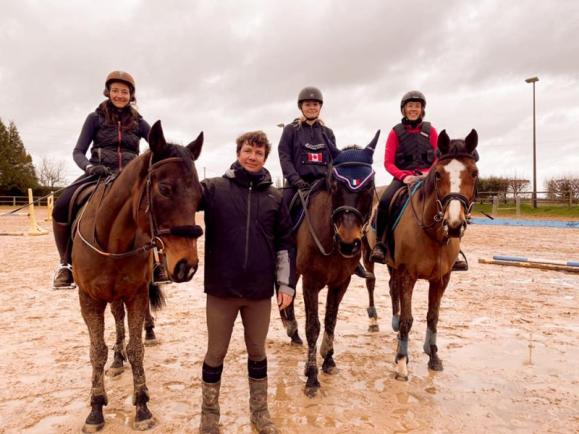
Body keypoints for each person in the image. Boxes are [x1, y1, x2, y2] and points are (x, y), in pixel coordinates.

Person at [199, 131, 295, 434]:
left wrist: (286, 285)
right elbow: (179, 196)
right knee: (216, 353)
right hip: (221, 290)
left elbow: (285, 244)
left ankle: (260, 412)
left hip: (258, 293)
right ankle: (209, 417)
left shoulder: (275, 198)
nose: (252, 156)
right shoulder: (213, 189)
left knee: (258, 352)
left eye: (258, 153)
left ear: (265, 158)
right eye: (248, 151)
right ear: (238, 152)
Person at [51, 71, 151, 289]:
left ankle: (158, 262)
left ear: (131, 95)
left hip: (130, 177)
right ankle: (65, 264)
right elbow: (78, 151)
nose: (119, 95)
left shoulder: (140, 123)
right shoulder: (94, 118)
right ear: (108, 92)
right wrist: (89, 166)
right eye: (115, 91)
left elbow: (159, 146)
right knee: (62, 204)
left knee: (156, 205)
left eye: (124, 92)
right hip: (99, 173)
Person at [278, 86, 371, 278]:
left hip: (323, 182)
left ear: (320, 107)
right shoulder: (290, 130)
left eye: (315, 104)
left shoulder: (327, 132)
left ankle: (353, 260)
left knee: (346, 206)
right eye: (307, 104)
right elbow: (284, 156)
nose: (311, 108)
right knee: (282, 209)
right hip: (298, 184)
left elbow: (333, 159)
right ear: (301, 107)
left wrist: (331, 179)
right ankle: (279, 252)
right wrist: (295, 180)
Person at [370, 90, 439, 264]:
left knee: (448, 202)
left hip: (428, 178)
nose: (413, 109)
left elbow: (439, 158)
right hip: (403, 178)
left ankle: (454, 250)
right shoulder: (395, 132)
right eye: (410, 106)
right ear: (404, 109)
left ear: (422, 109)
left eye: (417, 106)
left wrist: (427, 174)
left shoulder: (431, 131)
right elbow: (388, 162)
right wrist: (403, 176)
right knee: (384, 203)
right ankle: (380, 244)